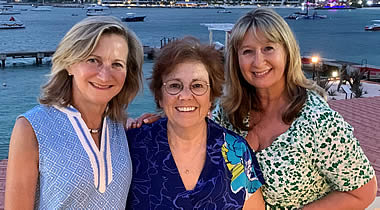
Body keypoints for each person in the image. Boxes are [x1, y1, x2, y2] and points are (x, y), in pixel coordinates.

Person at [212, 8, 377, 209]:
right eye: (247, 51)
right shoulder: (228, 110)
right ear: (236, 60)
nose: (258, 61)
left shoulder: (317, 121)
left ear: (287, 52)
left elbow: (363, 192)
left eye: (268, 48)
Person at [5, 16, 143, 209]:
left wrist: (153, 124)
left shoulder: (120, 127)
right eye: (93, 60)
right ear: (69, 64)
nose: (105, 75)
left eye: (117, 64)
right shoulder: (32, 128)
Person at [126, 36, 265, 209]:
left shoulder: (236, 150)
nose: (185, 96)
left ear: (211, 97)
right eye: (175, 86)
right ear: (160, 97)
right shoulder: (132, 146)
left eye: (197, 86)